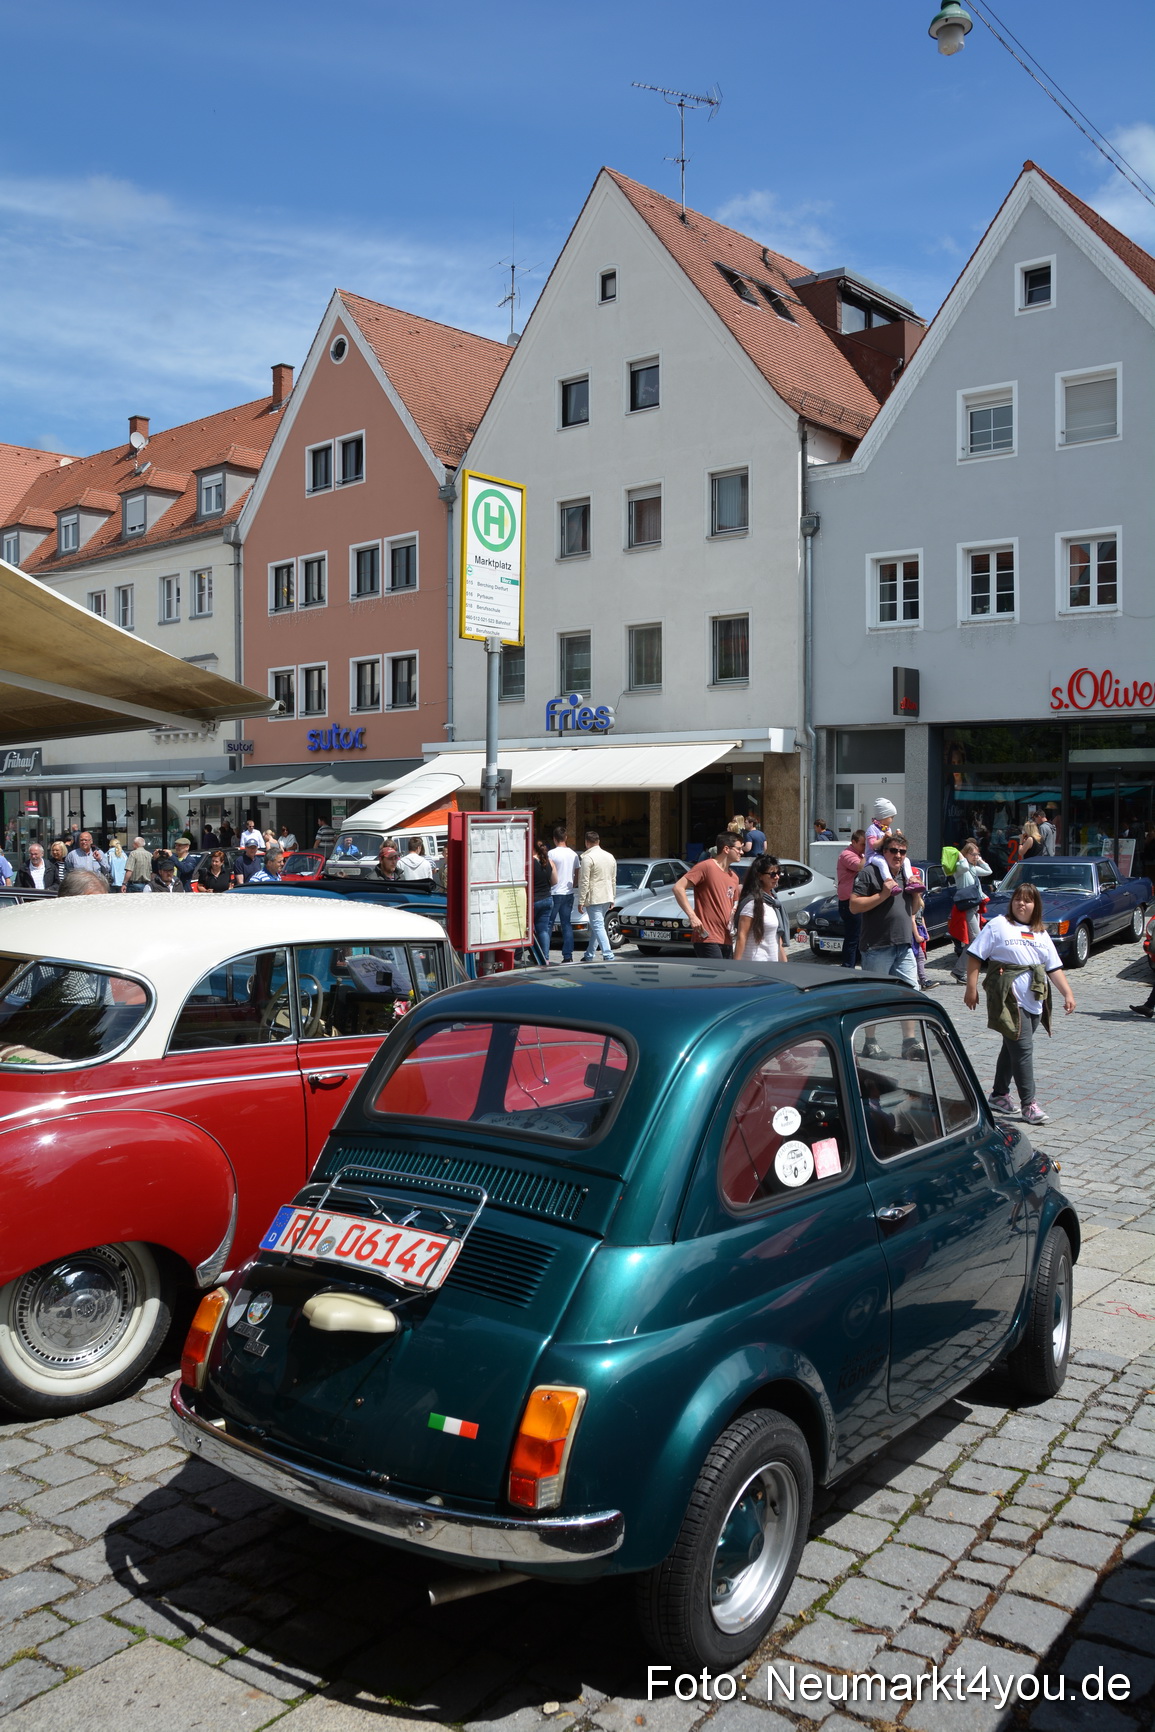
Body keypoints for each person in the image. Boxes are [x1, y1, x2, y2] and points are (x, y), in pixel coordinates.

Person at [964, 881, 1076, 1125]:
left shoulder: (1040, 932)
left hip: (1035, 999)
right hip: (1008, 998)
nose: (1021, 904)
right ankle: (1029, 1104)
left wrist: (1067, 993)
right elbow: (974, 956)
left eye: (1027, 900)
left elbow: (1053, 967)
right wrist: (970, 988)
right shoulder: (998, 925)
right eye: (1017, 899)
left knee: (1012, 1046)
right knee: (1023, 1049)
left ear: (1035, 905)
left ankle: (999, 1095)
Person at [849, 832, 922, 991]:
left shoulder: (906, 874)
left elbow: (913, 910)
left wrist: (916, 893)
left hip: (904, 946)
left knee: (912, 994)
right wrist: (883, 895)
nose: (898, 855)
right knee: (876, 995)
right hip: (877, 947)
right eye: (893, 851)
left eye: (902, 852)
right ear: (884, 852)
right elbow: (854, 906)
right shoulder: (869, 873)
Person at [673, 833, 745, 958]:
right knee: (716, 976)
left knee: (726, 976)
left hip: (726, 938)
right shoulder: (706, 866)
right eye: (738, 849)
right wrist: (692, 916)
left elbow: (733, 907)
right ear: (726, 849)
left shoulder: (734, 877)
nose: (742, 852)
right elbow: (678, 888)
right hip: (707, 937)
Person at [949, 839, 993, 982]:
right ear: (966, 854)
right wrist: (961, 857)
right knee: (976, 940)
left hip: (974, 905)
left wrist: (980, 860)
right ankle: (960, 970)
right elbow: (964, 868)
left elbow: (988, 871)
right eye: (973, 854)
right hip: (966, 907)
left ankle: (959, 972)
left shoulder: (973, 867)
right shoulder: (959, 867)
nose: (975, 856)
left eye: (977, 854)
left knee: (972, 942)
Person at [733, 855, 789, 963]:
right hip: (755, 964)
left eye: (778, 873)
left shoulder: (773, 900)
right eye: (772, 874)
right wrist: (736, 966)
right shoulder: (752, 903)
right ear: (760, 876)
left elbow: (777, 936)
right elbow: (741, 936)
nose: (777, 877)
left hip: (771, 963)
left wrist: (784, 963)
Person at [577, 830, 617, 962]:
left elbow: (584, 881)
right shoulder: (610, 856)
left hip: (594, 897)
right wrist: (613, 897)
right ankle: (589, 954)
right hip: (607, 896)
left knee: (598, 926)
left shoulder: (587, 858)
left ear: (587, 843)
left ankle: (608, 954)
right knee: (597, 926)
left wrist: (581, 900)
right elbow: (613, 879)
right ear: (598, 841)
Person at [548, 825, 580, 964]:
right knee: (566, 924)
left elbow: (548, 872)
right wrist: (573, 885)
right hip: (568, 892)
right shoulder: (573, 854)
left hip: (554, 892)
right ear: (566, 837)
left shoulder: (551, 854)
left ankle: (544, 954)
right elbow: (577, 873)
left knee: (548, 924)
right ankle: (568, 955)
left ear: (554, 839)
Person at [835, 830, 866, 969]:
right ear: (853, 842)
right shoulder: (847, 855)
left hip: (857, 900)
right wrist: (870, 852)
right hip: (849, 901)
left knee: (859, 936)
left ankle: (855, 963)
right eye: (863, 844)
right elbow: (861, 867)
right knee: (852, 937)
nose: (865, 847)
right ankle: (848, 967)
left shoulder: (860, 854)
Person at [532, 839, 556, 962]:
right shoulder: (549, 862)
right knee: (543, 930)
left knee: (528, 930)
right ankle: (545, 958)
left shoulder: (529, 863)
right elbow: (555, 881)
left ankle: (519, 957)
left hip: (533, 901)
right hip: (547, 898)